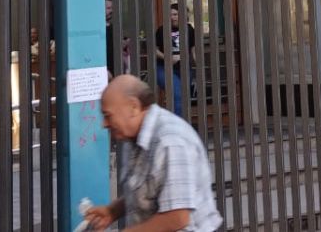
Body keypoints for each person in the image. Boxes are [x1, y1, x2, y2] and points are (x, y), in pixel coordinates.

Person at [83, 75, 222, 232]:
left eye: (108, 116)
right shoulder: (134, 137)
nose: (104, 124)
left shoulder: (170, 141)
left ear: (133, 107)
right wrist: (112, 211)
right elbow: (148, 192)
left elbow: (177, 218)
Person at [155, 4, 197, 118]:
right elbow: (154, 50)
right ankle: (178, 125)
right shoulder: (162, 30)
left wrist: (198, 65)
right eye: (170, 15)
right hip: (164, 68)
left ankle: (176, 122)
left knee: (183, 98)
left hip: (184, 68)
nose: (172, 17)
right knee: (178, 95)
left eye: (175, 14)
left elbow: (193, 50)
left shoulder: (189, 29)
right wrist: (167, 58)